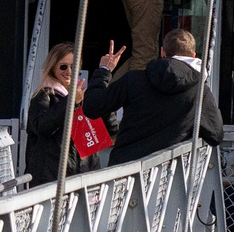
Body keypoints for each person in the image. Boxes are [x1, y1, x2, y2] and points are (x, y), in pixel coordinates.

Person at [84, 28, 224, 163]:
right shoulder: (199, 91)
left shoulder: (132, 80)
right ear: (193, 56)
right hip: (166, 176)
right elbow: (215, 135)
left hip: (125, 171)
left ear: (162, 52)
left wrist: (104, 70)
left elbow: (92, 107)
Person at [21, 41, 104, 185]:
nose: (69, 72)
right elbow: (43, 127)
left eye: (74, 66)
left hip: (80, 178)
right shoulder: (43, 95)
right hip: (51, 179)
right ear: (53, 67)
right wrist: (70, 101)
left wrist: (104, 72)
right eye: (63, 67)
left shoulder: (82, 95)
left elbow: (101, 136)